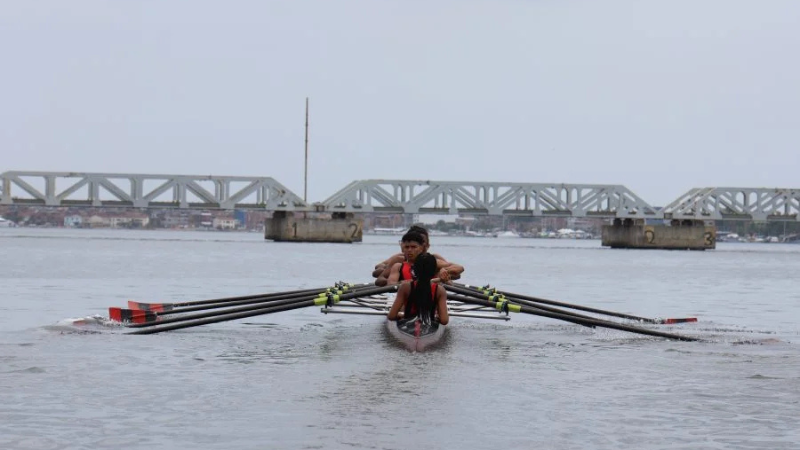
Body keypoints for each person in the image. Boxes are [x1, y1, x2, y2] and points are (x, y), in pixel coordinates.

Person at [373, 226, 464, 286]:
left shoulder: (433, 260)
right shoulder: (398, 261)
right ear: (403, 246)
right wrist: (398, 280)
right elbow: (379, 276)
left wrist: (445, 273)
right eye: (408, 246)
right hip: (405, 294)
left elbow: (458, 271)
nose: (410, 250)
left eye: (414, 246)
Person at [387, 252, 449, 325]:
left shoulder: (405, 287)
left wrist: (402, 315)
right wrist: (437, 317)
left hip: (408, 323)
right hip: (429, 325)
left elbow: (391, 316)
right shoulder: (440, 290)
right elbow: (444, 321)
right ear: (434, 271)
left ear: (414, 270)